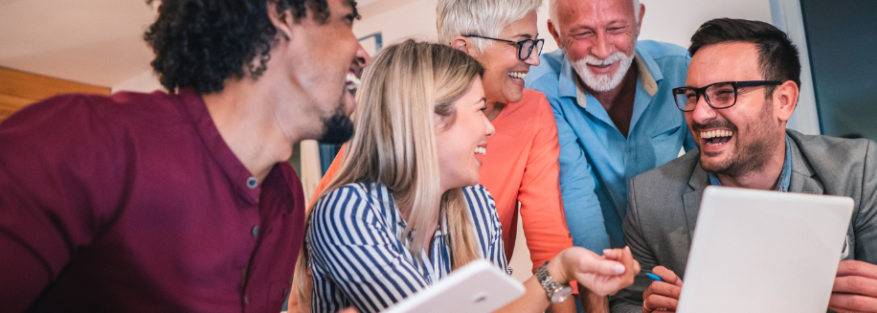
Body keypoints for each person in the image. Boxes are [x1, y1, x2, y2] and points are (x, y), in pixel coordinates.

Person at [0, 0, 370, 311]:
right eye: (348, 19)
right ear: (283, 13)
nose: (363, 53)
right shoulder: (85, 140)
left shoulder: (285, 196)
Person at [299, 40, 640, 313]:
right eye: (479, 109)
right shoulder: (346, 212)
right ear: (430, 121)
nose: (489, 127)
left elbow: (500, 308)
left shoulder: (475, 202)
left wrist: (562, 269)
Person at [610, 18, 877, 313]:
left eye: (724, 93)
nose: (698, 115)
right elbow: (627, 304)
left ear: (784, 101)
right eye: (693, 96)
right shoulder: (649, 200)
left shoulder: (857, 171)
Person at [525, 0, 695, 257]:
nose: (603, 51)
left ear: (638, 20)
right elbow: (578, 197)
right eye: (583, 33)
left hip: (673, 263)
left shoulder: (681, 68)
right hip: (593, 266)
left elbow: (713, 172)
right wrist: (602, 282)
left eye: (615, 29)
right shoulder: (539, 90)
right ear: (556, 35)